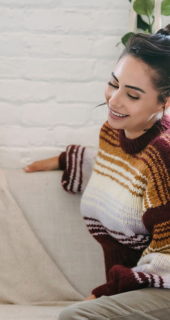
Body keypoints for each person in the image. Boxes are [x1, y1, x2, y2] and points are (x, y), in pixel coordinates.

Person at [25, 25, 170, 319]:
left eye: (132, 95)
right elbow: (121, 171)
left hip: (163, 283)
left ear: (164, 102)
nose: (114, 100)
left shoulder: (163, 153)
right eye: (113, 83)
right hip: (136, 287)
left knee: (73, 317)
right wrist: (68, 160)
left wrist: (109, 291)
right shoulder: (113, 133)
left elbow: (166, 255)